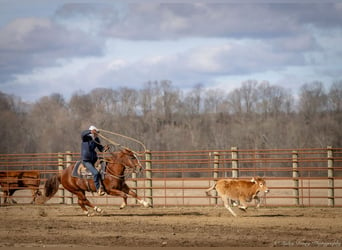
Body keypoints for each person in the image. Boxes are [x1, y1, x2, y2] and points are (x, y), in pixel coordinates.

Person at [81, 125, 105, 196]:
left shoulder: (96, 139)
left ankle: (103, 185)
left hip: (94, 159)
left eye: (96, 132)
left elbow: (100, 148)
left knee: (102, 170)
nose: (96, 133)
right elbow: (83, 133)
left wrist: (104, 148)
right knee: (95, 173)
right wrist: (90, 131)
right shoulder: (86, 137)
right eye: (95, 132)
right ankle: (98, 189)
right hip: (86, 160)